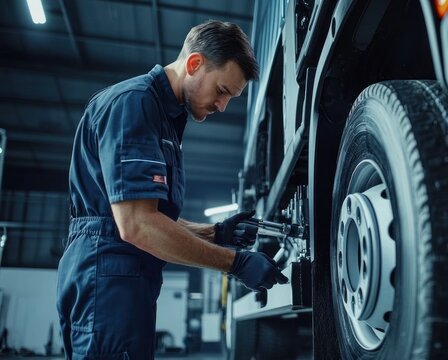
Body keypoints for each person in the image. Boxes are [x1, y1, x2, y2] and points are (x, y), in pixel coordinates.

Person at [56, 20, 287, 359]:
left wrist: (217, 232)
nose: (223, 106)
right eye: (222, 91)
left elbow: (148, 215)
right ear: (194, 64)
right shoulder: (133, 105)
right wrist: (234, 263)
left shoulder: (163, 116)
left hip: (120, 276)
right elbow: (136, 226)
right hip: (106, 278)